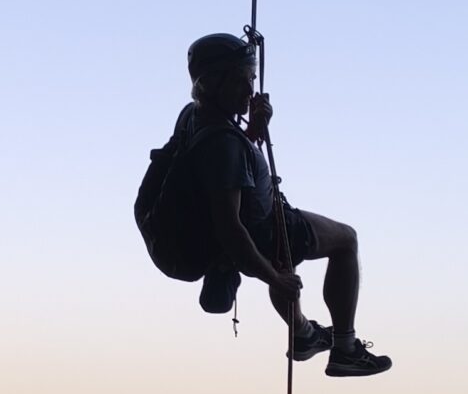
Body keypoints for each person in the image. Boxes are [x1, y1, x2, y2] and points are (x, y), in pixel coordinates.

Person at [151, 31, 391, 376]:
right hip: (262, 228)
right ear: (213, 84)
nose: (250, 91)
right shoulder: (224, 146)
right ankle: (345, 348)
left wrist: (254, 131)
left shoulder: (193, 116)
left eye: (250, 80)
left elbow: (223, 176)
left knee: (283, 263)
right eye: (241, 82)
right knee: (345, 240)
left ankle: (305, 335)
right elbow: (230, 225)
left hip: (249, 231)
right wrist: (272, 280)